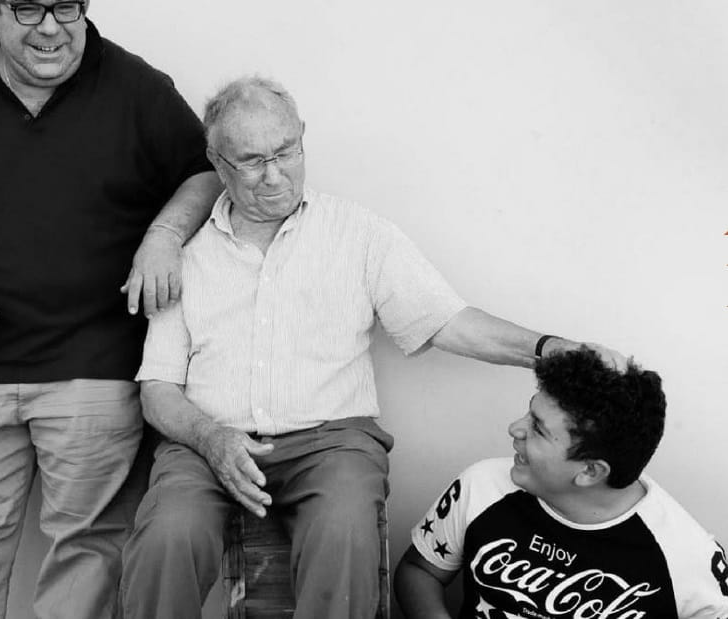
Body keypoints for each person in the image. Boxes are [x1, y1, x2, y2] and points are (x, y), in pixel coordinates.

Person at [117, 75, 628, 619]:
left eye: (286, 151)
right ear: (217, 162)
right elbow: (158, 391)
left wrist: (548, 348)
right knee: (166, 535)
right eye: (252, 161)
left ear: (302, 136)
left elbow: (447, 322)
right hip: (206, 443)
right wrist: (212, 439)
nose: (275, 175)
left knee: (345, 529)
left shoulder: (360, 234)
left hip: (330, 444)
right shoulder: (184, 256)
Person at [0, 2, 222, 618]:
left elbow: (205, 171)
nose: (50, 26)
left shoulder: (136, 87)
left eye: (66, 6)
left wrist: (165, 235)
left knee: (88, 558)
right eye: (28, 7)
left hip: (94, 369)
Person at [395, 348, 728, 619]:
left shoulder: (688, 557)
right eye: (529, 412)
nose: (515, 428)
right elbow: (419, 570)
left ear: (590, 471)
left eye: (538, 429)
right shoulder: (481, 485)